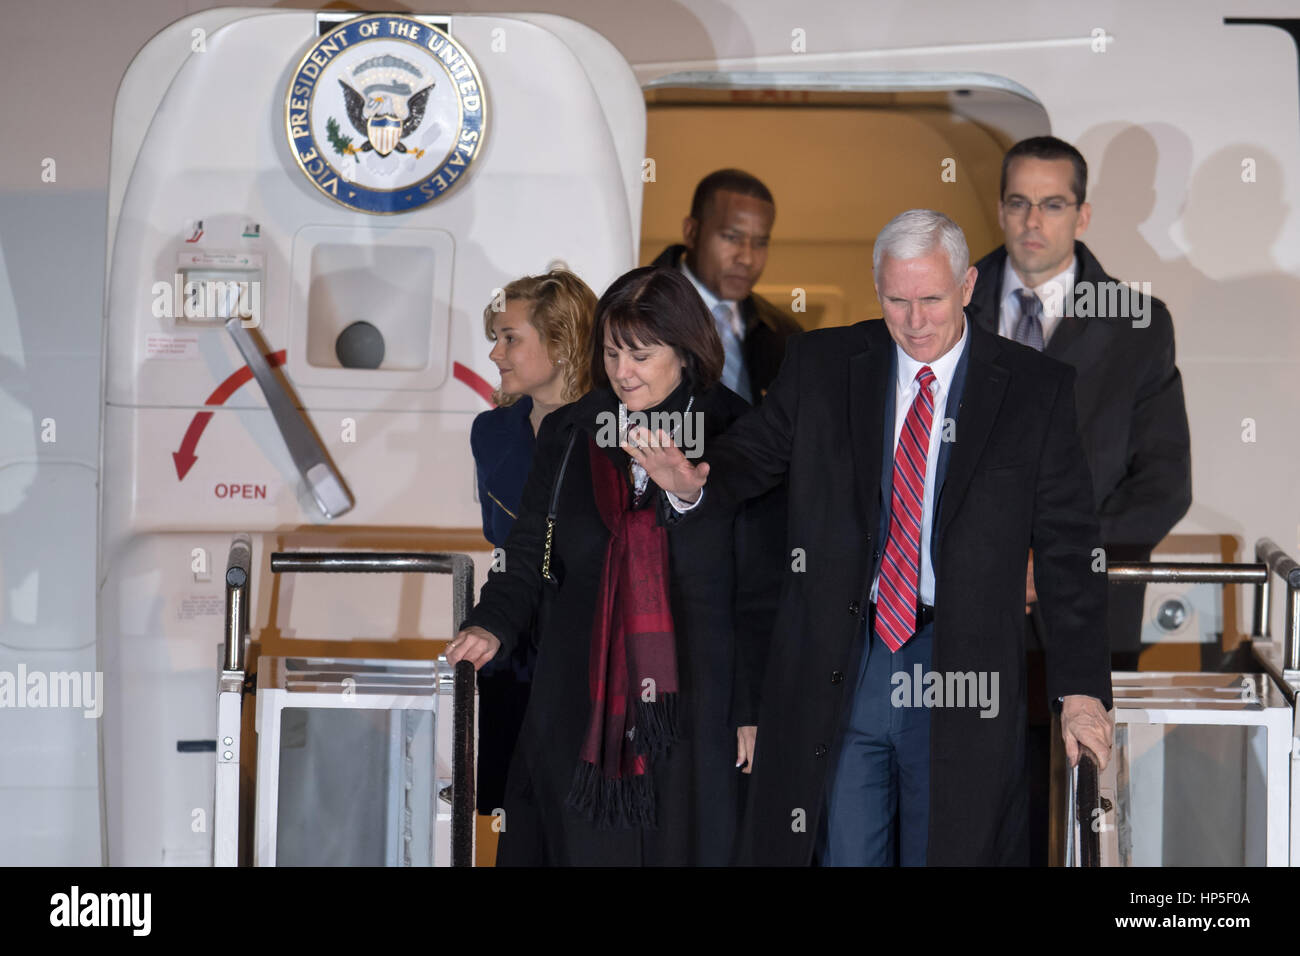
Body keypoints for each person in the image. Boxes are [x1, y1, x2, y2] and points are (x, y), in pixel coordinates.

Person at [630, 209, 1115, 866]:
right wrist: (692, 484)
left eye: (932, 299)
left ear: (968, 286)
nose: (915, 320)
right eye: (897, 300)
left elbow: (1068, 550)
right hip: (845, 664)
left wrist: (1080, 689)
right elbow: (751, 458)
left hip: (960, 667)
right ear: (877, 287)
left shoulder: (1035, 389)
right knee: (843, 850)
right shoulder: (825, 363)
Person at [450, 266, 777, 865]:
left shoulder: (737, 432)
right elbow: (526, 556)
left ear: (685, 350)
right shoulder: (571, 431)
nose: (623, 373)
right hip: (580, 700)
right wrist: (490, 623)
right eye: (611, 353)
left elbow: (760, 592)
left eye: (641, 355)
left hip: (697, 707)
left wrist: (753, 710)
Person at [966, 136, 1191, 864]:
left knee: (1077, 818)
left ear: (1083, 214)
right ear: (1001, 209)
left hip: (1085, 612)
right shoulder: (944, 303)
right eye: (1020, 202)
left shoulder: (1137, 323)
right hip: (958, 608)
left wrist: (1053, 562)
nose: (1034, 221)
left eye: (1053, 204)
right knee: (962, 809)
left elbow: (1162, 486)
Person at [469, 269, 596, 817]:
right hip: (512, 642)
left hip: (591, 644)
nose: (496, 353)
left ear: (563, 343)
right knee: (514, 808)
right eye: (494, 338)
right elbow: (504, 541)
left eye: (510, 338)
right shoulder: (491, 431)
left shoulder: (615, 428)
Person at [650, 168, 802, 403]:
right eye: (732, 238)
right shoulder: (634, 312)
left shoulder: (784, 334)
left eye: (760, 243)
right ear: (691, 232)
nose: (747, 259)